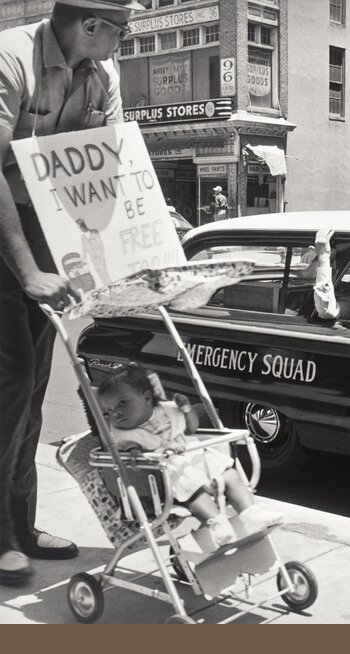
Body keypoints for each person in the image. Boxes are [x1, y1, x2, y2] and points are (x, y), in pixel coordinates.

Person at [0, 0, 147, 586]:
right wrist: (28, 269)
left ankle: (19, 523)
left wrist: (131, 250)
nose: (124, 41)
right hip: (5, 228)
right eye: (122, 30)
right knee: (9, 380)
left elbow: (105, 172)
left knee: (33, 383)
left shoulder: (103, 75)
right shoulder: (10, 57)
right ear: (90, 26)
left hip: (46, 229)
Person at [96, 363, 283, 547]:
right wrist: (140, 453)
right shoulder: (122, 435)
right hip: (169, 478)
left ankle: (251, 513)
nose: (116, 414)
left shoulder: (168, 410)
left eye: (122, 403)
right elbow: (128, 458)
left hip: (196, 460)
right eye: (109, 411)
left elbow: (191, 429)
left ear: (146, 398)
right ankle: (217, 523)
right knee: (192, 488)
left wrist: (187, 410)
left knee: (230, 474)